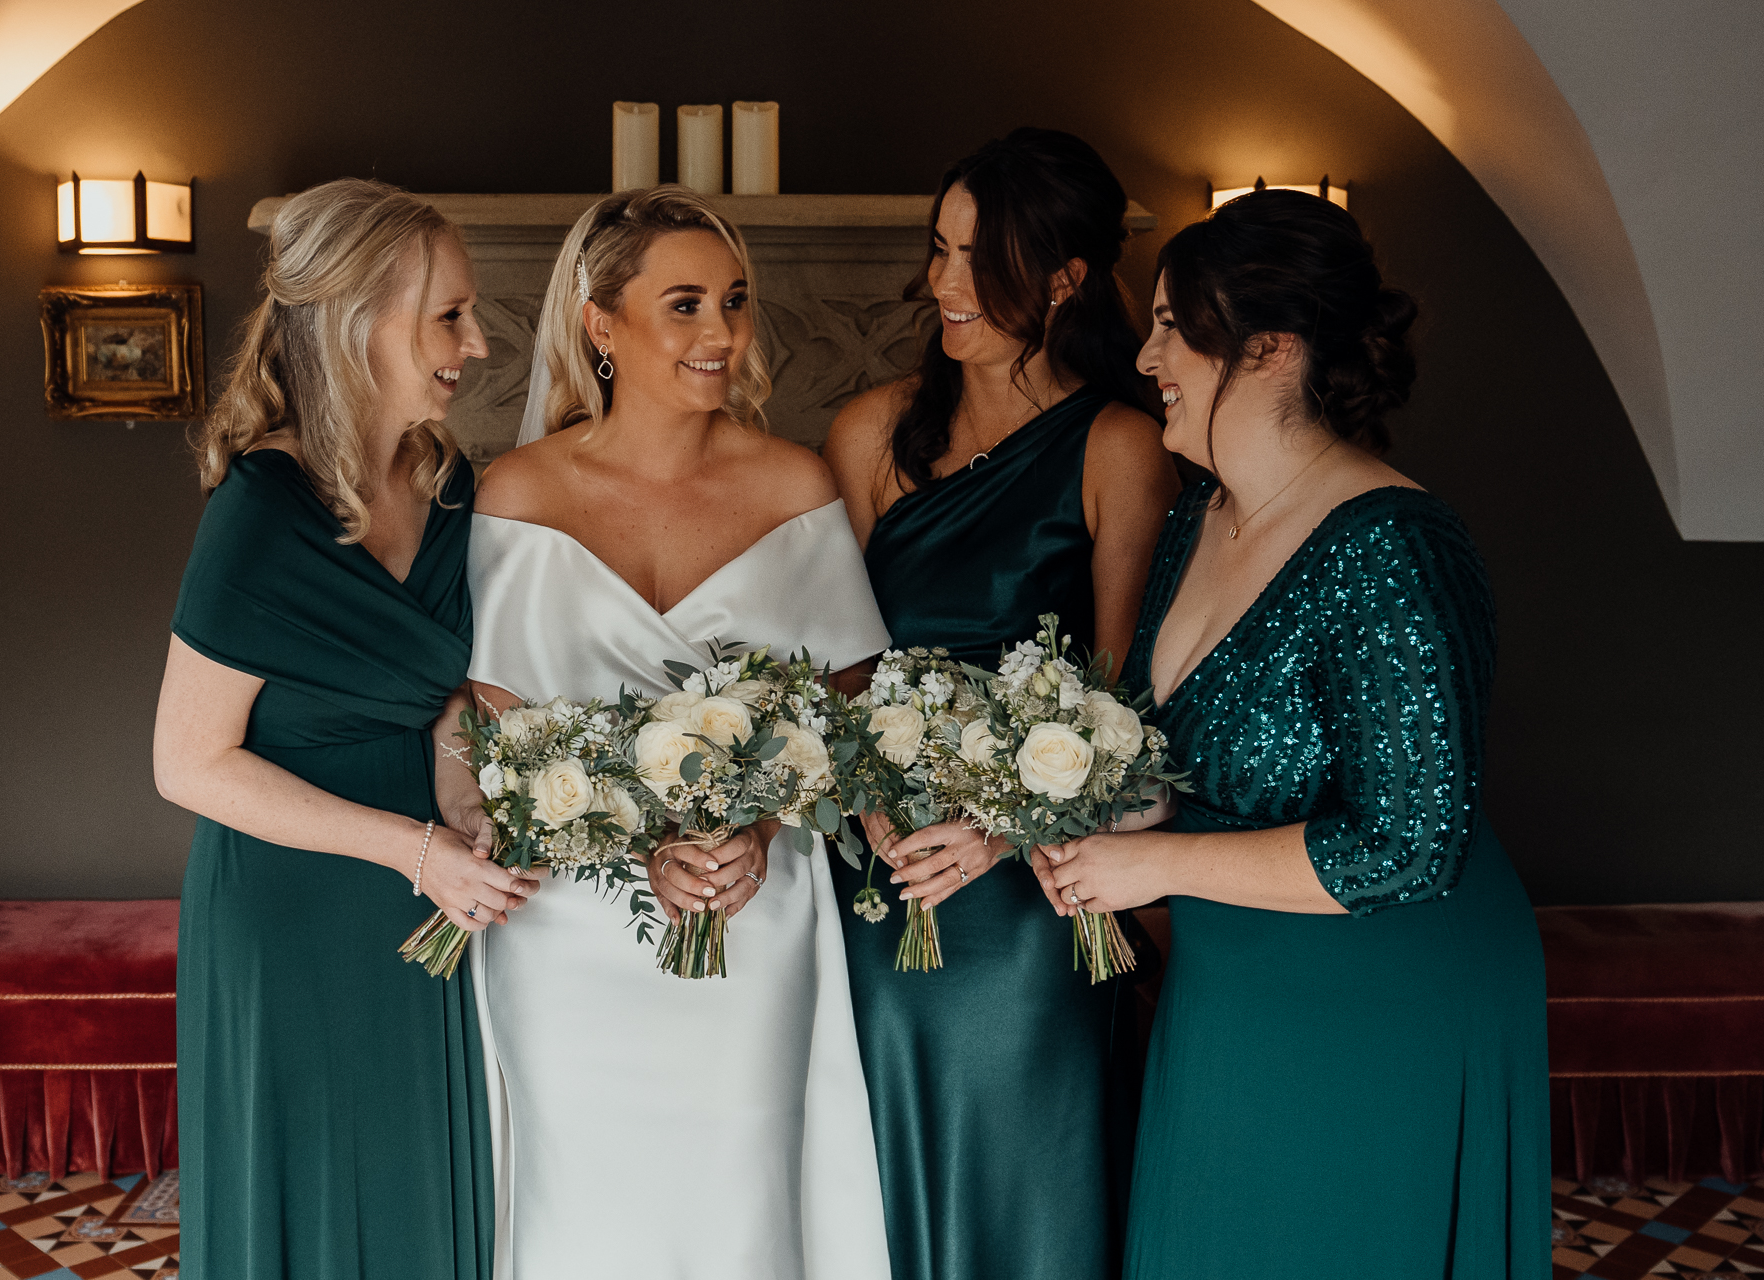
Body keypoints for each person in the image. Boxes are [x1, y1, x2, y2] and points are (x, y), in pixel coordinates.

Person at [1038, 188, 1550, 1277]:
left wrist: (1152, 860)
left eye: (1176, 323)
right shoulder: (1196, 515)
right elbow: (1178, 753)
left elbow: (1407, 844)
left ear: (1267, 350)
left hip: (1385, 995)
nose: (1146, 352)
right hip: (1234, 983)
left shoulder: (1396, 547)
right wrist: (1076, 826)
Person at [453, 185, 893, 1280]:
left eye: (734, 302)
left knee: (740, 1199)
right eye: (685, 304)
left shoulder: (793, 481)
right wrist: (617, 834)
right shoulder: (517, 491)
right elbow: (483, 728)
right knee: (582, 1208)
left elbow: (854, 709)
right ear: (600, 323)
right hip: (569, 935)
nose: (721, 333)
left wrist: (764, 823)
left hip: (753, 916)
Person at [820, 128, 1180, 1280]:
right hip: (876, 864)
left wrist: (1002, 825)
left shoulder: (1122, 446)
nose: (943, 284)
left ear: (1066, 280)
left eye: (979, 259)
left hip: (1032, 876)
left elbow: (1118, 702)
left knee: (1028, 1161)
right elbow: (839, 661)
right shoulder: (870, 432)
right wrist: (871, 801)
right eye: (939, 250)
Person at [154, 178, 530, 1279]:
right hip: (293, 895)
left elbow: (456, 691)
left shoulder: (456, 483)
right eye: (449, 314)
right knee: (307, 1185)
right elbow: (187, 760)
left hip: (431, 883)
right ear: (360, 318)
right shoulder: (262, 504)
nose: (477, 339)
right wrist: (409, 846)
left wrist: (457, 795)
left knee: (421, 1183)